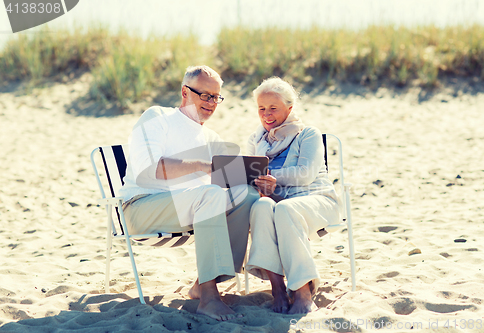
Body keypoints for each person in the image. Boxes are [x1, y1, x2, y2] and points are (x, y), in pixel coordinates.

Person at [118, 65, 260, 321]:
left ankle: (203, 282)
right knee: (208, 194)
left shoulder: (211, 137)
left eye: (216, 96)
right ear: (185, 91)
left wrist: (254, 180)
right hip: (141, 207)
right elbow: (149, 169)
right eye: (204, 95)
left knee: (246, 195)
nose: (211, 102)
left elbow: (222, 185)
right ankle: (208, 297)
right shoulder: (157, 117)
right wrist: (200, 165)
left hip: (190, 209)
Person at [246, 77, 341, 314]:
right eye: (261, 108)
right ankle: (277, 288)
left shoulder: (308, 134)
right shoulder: (255, 141)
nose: (266, 114)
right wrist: (259, 186)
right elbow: (250, 176)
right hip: (279, 206)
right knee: (261, 207)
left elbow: (306, 174)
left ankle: (302, 291)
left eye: (273, 108)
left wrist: (273, 179)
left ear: (289, 108)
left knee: (284, 209)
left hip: (317, 201)